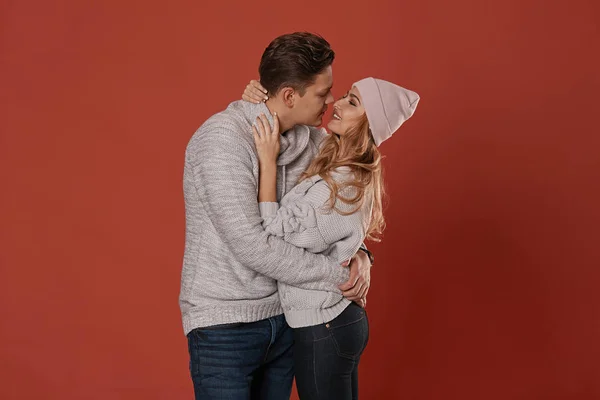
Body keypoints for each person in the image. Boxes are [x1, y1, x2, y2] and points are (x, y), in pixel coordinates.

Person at [180, 32, 373, 400]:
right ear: (288, 96)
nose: (332, 101)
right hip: (225, 328)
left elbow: (343, 211)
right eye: (322, 93)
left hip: (286, 320)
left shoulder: (316, 143)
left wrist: (363, 254)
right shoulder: (222, 141)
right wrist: (339, 275)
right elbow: (252, 246)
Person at [243, 77, 419, 399]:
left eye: (352, 102)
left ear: (368, 125)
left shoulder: (345, 186)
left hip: (324, 326)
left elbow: (277, 235)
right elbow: (290, 120)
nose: (336, 103)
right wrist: (260, 98)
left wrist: (267, 162)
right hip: (331, 322)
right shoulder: (333, 158)